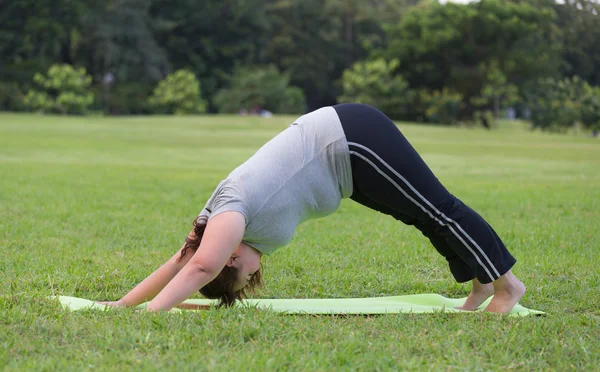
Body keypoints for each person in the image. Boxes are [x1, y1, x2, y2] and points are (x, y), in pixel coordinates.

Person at [101, 103, 526, 313]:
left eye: (248, 270)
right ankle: (481, 285)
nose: (257, 266)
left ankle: (507, 286)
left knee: (438, 207)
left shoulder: (230, 220)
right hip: (347, 169)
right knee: (421, 214)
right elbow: (181, 261)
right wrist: (123, 306)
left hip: (352, 141)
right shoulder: (219, 226)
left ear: (231, 257)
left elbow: (198, 269)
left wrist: (150, 316)